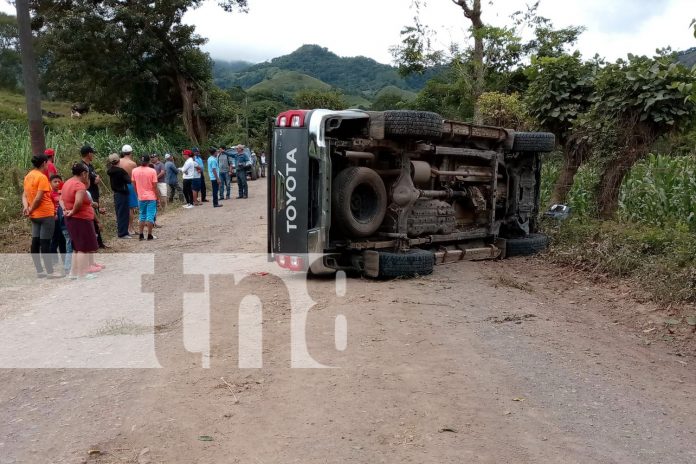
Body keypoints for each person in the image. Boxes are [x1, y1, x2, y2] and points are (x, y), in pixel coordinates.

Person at [22, 154, 59, 278]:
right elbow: (38, 198)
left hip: (34, 215)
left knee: (35, 242)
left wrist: (27, 208)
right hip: (45, 214)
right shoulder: (42, 177)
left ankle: (40, 271)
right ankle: (50, 272)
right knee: (45, 243)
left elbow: (24, 195)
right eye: (47, 163)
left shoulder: (28, 176)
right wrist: (31, 207)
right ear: (44, 163)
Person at [62, 162, 100, 279]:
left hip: (72, 219)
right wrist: (73, 211)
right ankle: (82, 274)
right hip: (80, 219)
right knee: (83, 248)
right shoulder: (79, 185)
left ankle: (73, 273)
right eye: (87, 174)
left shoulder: (68, 182)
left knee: (76, 248)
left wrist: (67, 210)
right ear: (83, 173)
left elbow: (62, 199)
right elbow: (78, 202)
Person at [80, 145, 107, 249]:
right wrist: (96, 180)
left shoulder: (90, 166)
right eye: (92, 153)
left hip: (94, 195)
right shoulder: (83, 167)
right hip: (88, 195)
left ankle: (99, 242)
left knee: (95, 217)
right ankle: (95, 242)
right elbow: (88, 181)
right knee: (92, 219)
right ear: (89, 154)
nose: (93, 155)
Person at [131, 154, 160, 241]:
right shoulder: (152, 171)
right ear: (149, 161)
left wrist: (137, 194)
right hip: (151, 197)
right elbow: (155, 186)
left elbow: (133, 184)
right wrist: (157, 198)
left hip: (141, 197)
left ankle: (141, 235)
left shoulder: (134, 171)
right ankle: (149, 235)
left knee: (142, 216)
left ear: (140, 161)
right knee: (150, 216)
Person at [107, 153, 132, 239]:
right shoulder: (121, 171)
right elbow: (129, 181)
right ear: (118, 161)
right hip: (122, 194)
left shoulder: (110, 171)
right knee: (124, 213)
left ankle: (122, 231)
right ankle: (123, 233)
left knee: (119, 213)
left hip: (116, 194)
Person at [48, 174, 67, 272]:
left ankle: (65, 260)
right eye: (54, 182)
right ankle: (53, 259)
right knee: (54, 240)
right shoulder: (49, 194)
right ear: (50, 183)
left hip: (62, 220)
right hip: (54, 220)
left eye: (59, 181)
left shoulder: (62, 193)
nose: (57, 183)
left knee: (63, 240)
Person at [120, 144, 138, 234]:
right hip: (130, 185)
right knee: (131, 208)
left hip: (120, 186)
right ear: (131, 152)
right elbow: (135, 178)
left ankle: (124, 227)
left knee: (123, 207)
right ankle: (130, 228)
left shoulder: (118, 162)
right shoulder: (132, 164)